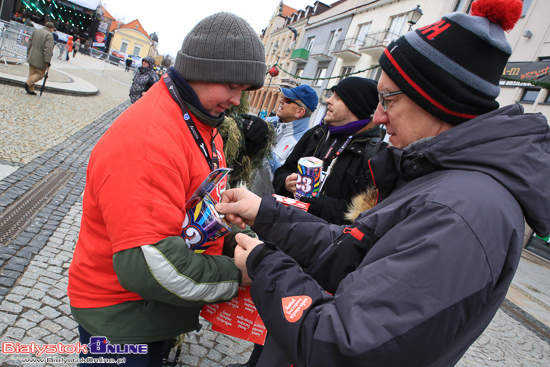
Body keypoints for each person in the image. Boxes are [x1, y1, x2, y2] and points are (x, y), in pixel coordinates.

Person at [215, 1, 550, 366]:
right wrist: (266, 212)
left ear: (437, 99)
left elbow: (344, 346)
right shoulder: (442, 181)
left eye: (388, 99)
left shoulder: (462, 211)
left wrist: (264, 266)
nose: (377, 115)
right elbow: (353, 247)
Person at [67, 12, 266, 366]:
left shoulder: (202, 122)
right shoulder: (149, 141)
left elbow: (192, 208)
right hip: (120, 319)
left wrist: (239, 238)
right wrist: (238, 275)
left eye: (244, 90)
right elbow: (151, 267)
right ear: (202, 69)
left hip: (150, 313)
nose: (238, 100)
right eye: (233, 86)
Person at [273, 77, 386, 225]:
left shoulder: (376, 153)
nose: (328, 100)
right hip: (287, 227)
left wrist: (321, 206)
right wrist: (286, 182)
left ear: (357, 106)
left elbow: (369, 215)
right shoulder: (317, 134)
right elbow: (283, 171)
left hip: (327, 242)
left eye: (338, 97)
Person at [249, 85, 318, 195]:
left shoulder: (302, 141)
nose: (281, 100)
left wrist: (263, 146)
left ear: (300, 112)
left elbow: (279, 180)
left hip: (264, 205)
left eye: (287, 100)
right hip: (246, 193)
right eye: (282, 97)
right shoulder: (268, 123)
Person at [23, 22, 54, 96]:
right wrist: (47, 60)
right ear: (51, 28)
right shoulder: (49, 35)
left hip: (32, 54)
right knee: (40, 74)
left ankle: (30, 90)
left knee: (32, 73)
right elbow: (48, 49)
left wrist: (28, 53)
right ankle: (27, 84)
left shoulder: (36, 31)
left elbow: (29, 42)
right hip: (40, 58)